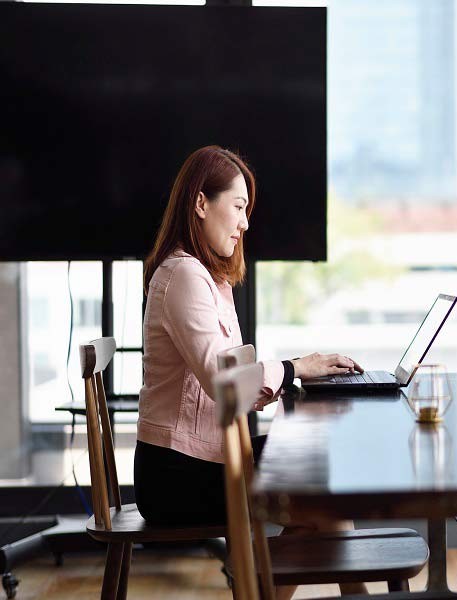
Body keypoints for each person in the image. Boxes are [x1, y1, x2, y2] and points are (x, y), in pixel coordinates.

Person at [133, 146, 366, 597]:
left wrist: (296, 371)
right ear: (201, 203)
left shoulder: (210, 280)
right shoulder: (183, 276)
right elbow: (226, 390)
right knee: (323, 503)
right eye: (238, 207)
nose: (245, 222)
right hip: (176, 476)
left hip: (209, 460)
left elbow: (234, 381)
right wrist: (296, 368)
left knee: (322, 499)